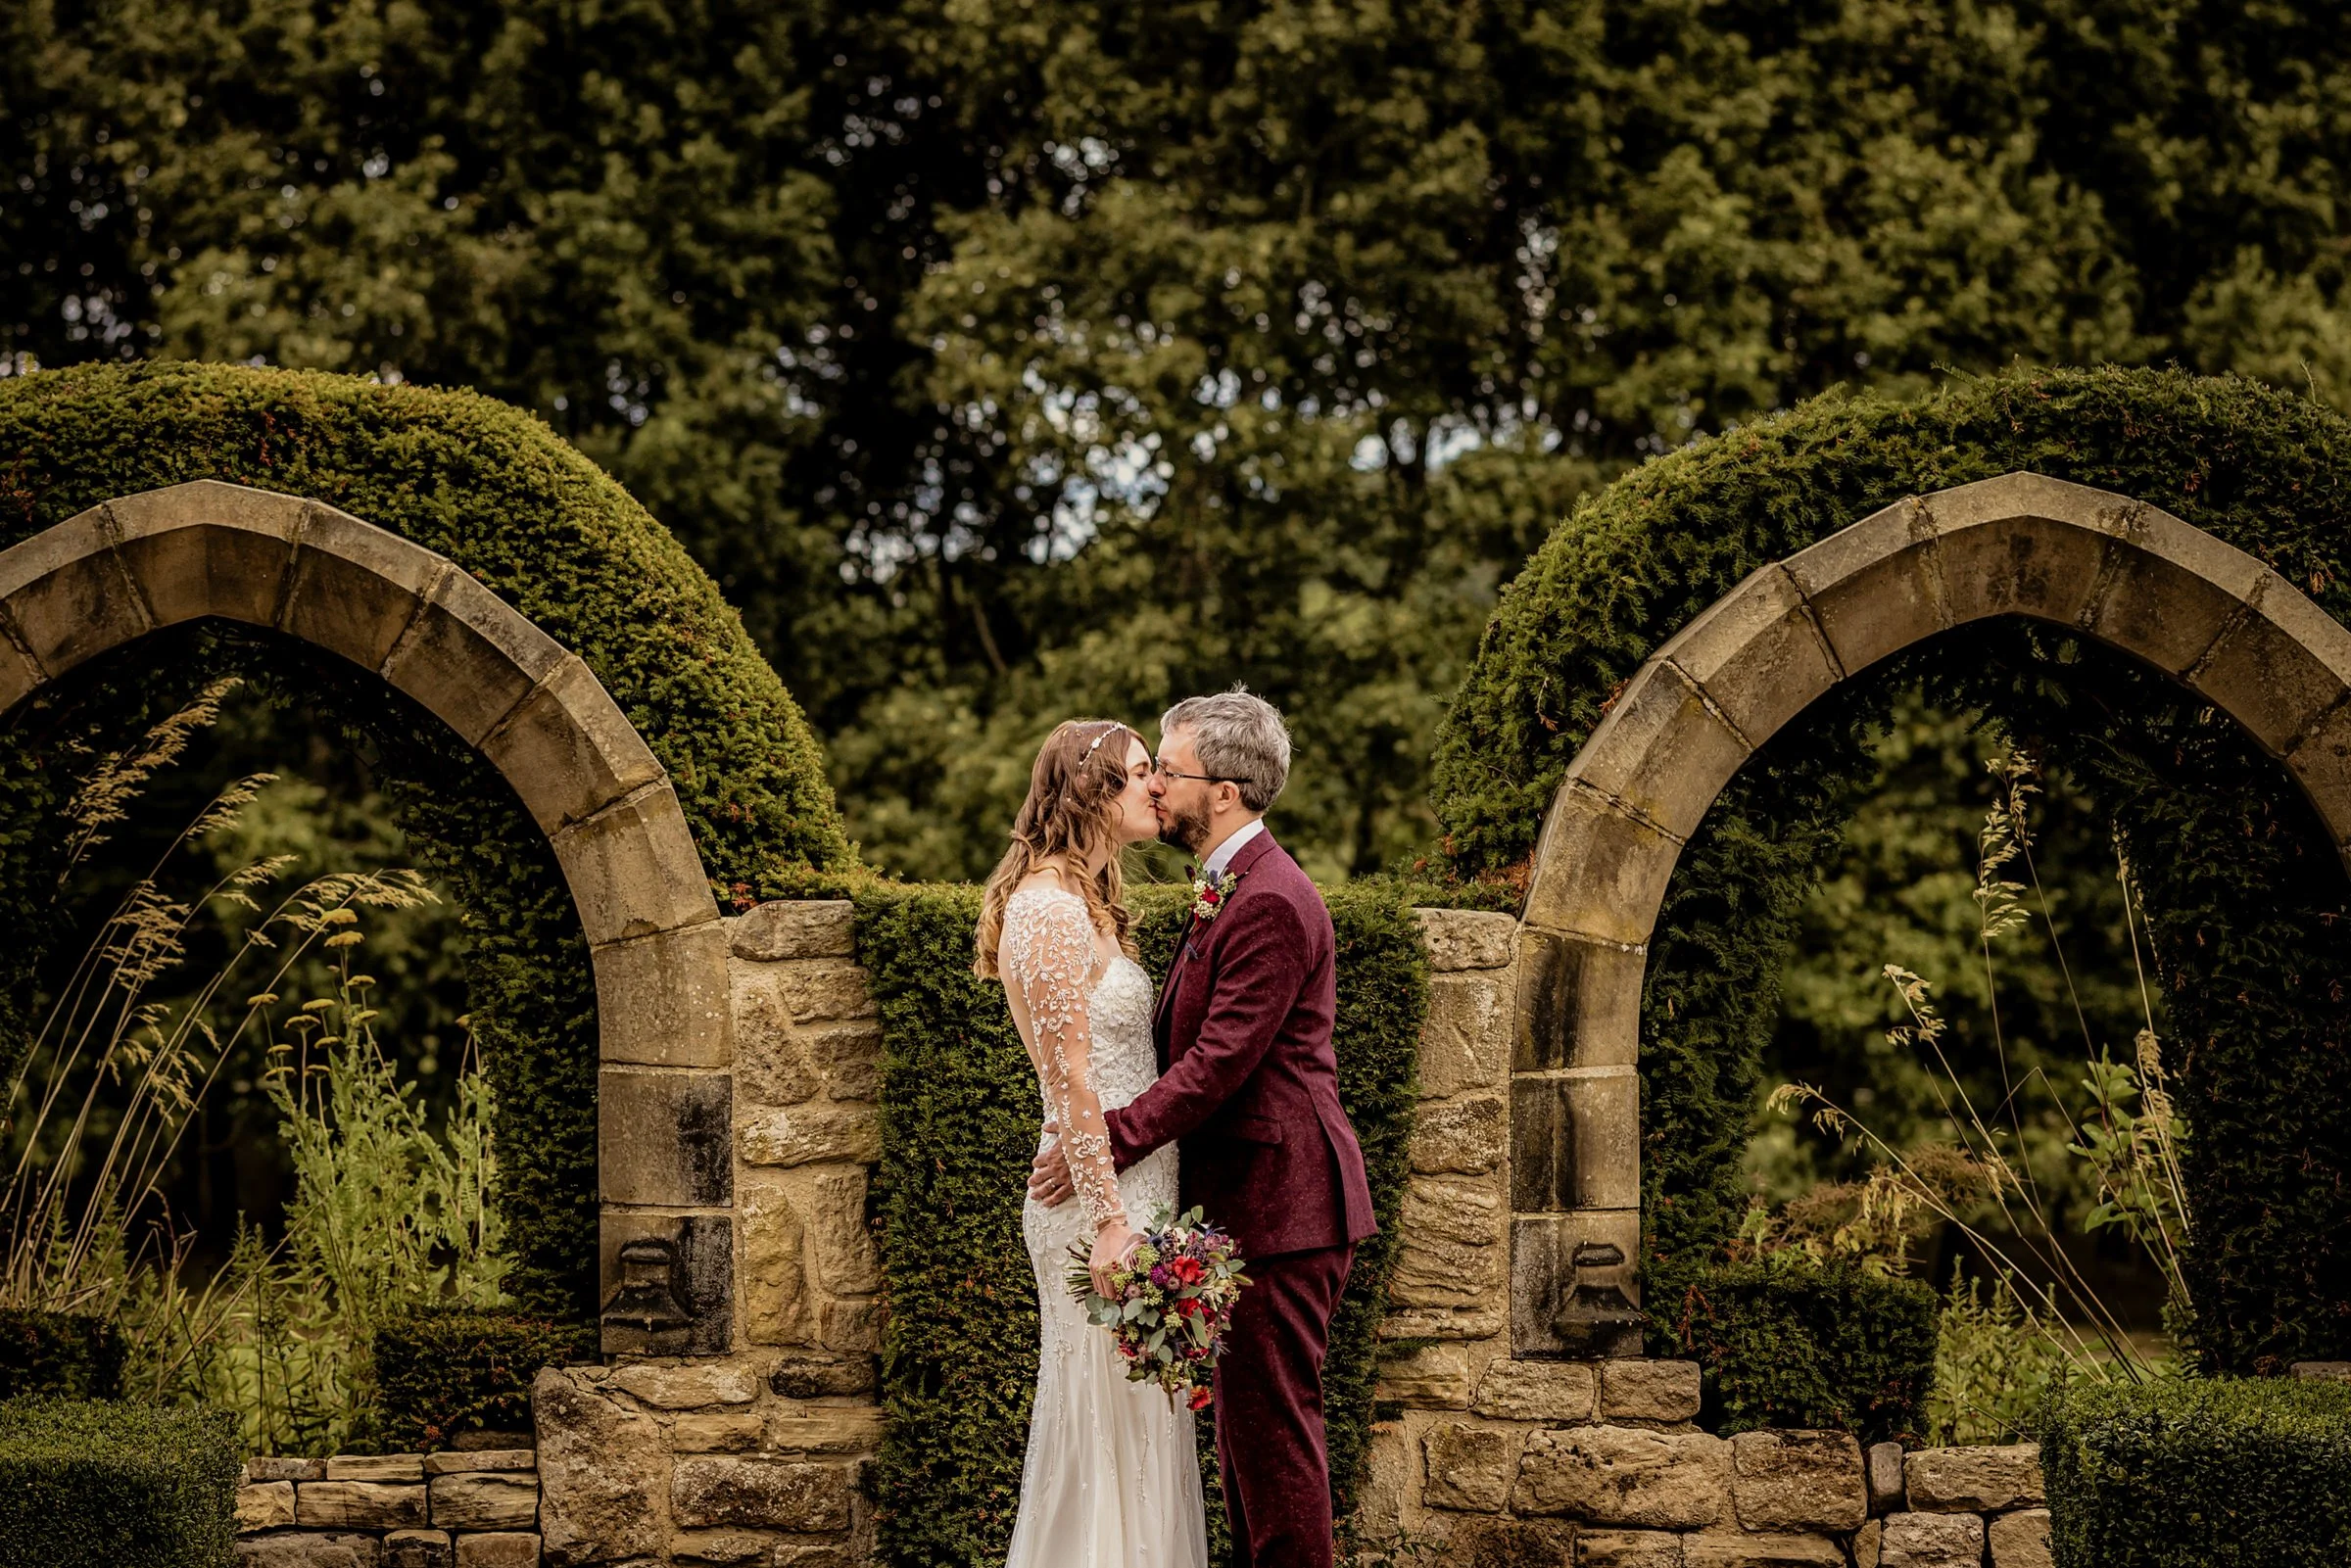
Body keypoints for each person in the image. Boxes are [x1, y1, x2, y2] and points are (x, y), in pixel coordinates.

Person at [1030, 689, 1378, 1568]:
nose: (1158, 790)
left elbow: (1219, 1063)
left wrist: (1101, 1140)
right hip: (1248, 1204)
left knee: (1273, 1437)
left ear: (1221, 788)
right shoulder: (1229, 885)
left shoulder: (1268, 899)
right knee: (1244, 1442)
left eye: (1170, 772)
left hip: (1285, 1204)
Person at [977, 717, 1210, 1568]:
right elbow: (1070, 1081)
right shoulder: (1044, 910)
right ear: (1092, 788)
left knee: (1144, 1424)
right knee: (1098, 1424)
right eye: (1142, 770)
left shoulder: (1094, 906)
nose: (1157, 786)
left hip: (1139, 1190)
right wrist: (1110, 1220)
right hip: (1092, 1207)